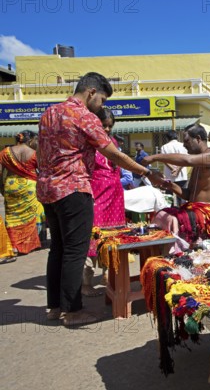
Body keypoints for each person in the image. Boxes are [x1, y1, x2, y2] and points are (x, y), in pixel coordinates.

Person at [37, 72, 165, 325]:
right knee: (75, 251)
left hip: (48, 190)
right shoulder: (84, 116)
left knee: (58, 249)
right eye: (103, 100)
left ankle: (54, 307)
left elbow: (41, 153)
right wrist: (147, 172)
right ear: (91, 92)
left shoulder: (49, 112)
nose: (103, 106)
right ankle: (72, 311)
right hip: (73, 189)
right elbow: (113, 154)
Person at [143, 124, 210, 246]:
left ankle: (180, 253)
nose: (184, 145)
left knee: (175, 221)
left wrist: (155, 157)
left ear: (198, 139)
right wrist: (168, 185)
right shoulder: (199, 163)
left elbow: (187, 160)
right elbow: (189, 195)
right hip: (198, 209)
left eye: (186, 141)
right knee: (162, 215)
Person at [83, 108, 126, 297]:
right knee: (93, 237)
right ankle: (85, 283)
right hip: (96, 195)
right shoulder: (87, 144)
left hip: (115, 196)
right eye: (104, 125)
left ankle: (107, 275)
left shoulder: (112, 142)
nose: (107, 129)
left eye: (110, 126)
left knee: (111, 236)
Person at [0, 130, 45, 255]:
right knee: (30, 217)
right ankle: (27, 246)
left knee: (11, 217)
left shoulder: (5, 152)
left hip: (11, 185)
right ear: (29, 140)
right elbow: (42, 170)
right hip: (29, 187)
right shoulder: (33, 153)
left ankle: (14, 246)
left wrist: (2, 187)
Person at [161, 130, 188, 206]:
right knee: (181, 195)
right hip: (182, 175)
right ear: (177, 136)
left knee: (169, 197)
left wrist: (172, 169)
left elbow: (164, 160)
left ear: (167, 138)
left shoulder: (164, 147)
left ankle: (171, 213)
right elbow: (185, 159)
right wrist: (177, 169)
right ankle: (182, 213)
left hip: (169, 175)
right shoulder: (183, 145)